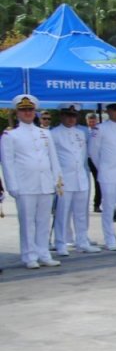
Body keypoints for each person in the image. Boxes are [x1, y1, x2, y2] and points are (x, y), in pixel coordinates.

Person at [1, 94, 62, 269]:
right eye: (23, 110)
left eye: (30, 109)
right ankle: (29, 256)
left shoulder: (44, 133)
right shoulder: (10, 135)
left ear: (34, 111)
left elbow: (53, 158)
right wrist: (12, 186)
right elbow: (8, 162)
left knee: (43, 221)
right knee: (27, 223)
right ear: (17, 113)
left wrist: (57, 180)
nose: (27, 113)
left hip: (45, 183)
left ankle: (44, 253)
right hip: (25, 185)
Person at [50, 106, 101, 256]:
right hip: (64, 179)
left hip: (81, 177)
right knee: (62, 213)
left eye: (74, 115)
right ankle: (61, 243)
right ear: (61, 116)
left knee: (81, 213)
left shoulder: (81, 133)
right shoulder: (53, 134)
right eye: (68, 115)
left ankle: (82, 241)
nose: (71, 118)